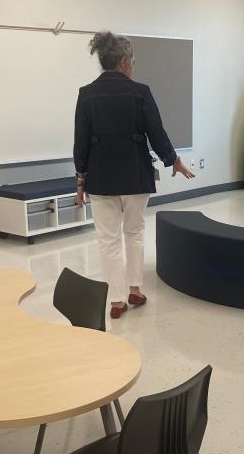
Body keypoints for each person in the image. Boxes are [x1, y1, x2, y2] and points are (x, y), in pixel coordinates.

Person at [74, 31, 195, 319]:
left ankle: (116, 301)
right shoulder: (140, 92)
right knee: (134, 232)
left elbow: (81, 141)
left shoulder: (86, 94)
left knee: (108, 239)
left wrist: (80, 179)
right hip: (135, 175)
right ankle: (135, 289)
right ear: (125, 61)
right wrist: (173, 160)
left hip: (100, 179)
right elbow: (156, 131)